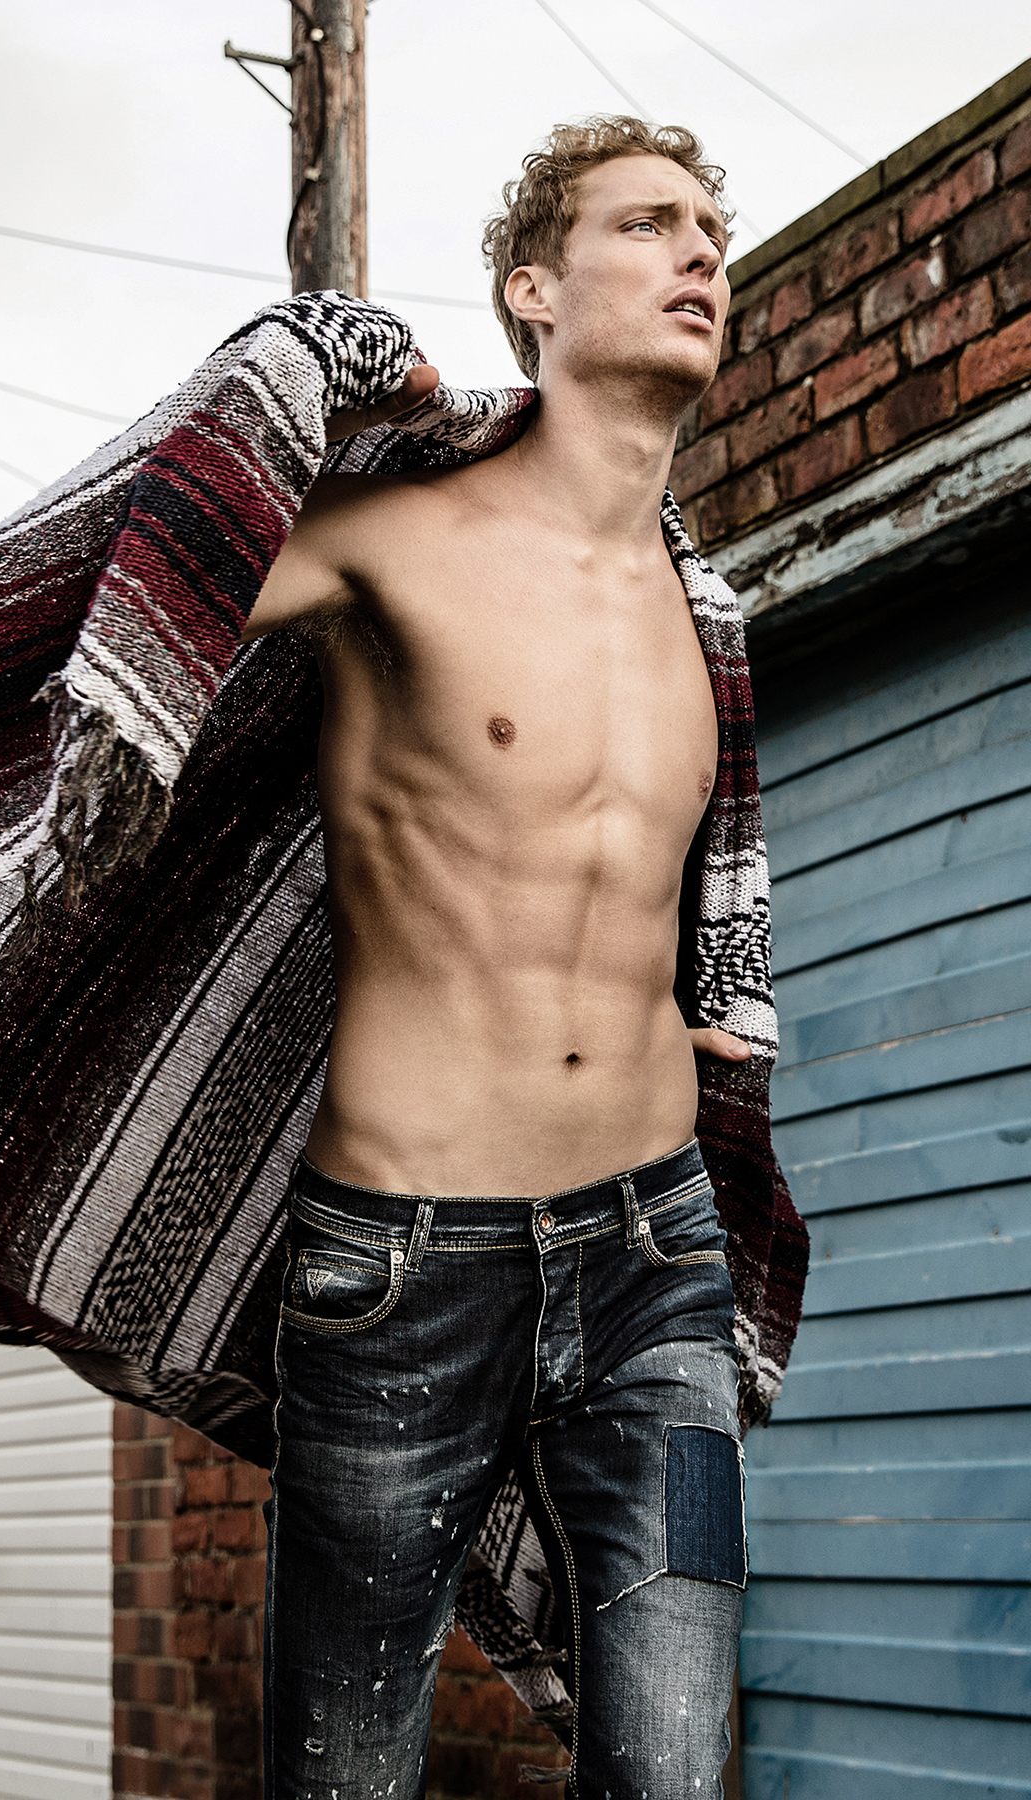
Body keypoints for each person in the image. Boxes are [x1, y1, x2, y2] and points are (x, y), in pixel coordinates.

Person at [240, 119, 766, 1799]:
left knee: (676, 1766)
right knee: (347, 1775)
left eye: (711, 228)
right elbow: (128, 592)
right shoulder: (390, 539)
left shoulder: (708, 617)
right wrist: (291, 373)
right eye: (649, 224)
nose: (702, 252)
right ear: (534, 290)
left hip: (664, 1270)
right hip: (399, 1269)